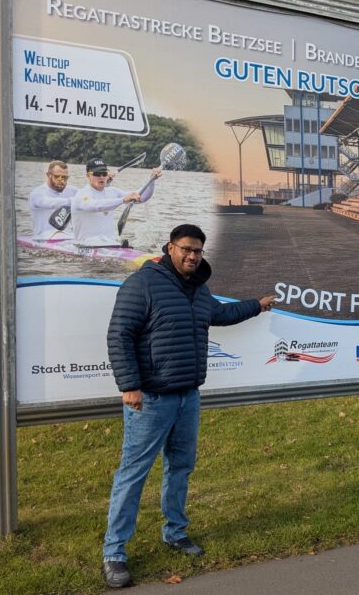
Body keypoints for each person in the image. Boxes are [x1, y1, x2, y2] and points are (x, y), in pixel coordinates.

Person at [102, 224, 275, 588]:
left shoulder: (199, 290)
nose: (192, 256)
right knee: (133, 473)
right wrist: (129, 385)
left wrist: (256, 306)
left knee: (180, 467)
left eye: (197, 251)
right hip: (150, 399)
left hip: (187, 397)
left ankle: (175, 531)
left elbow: (220, 315)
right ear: (170, 248)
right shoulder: (143, 284)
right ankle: (115, 553)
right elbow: (120, 333)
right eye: (186, 249)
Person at [71, 156, 160, 246]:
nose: (101, 177)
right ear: (88, 176)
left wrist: (152, 180)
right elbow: (94, 206)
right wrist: (123, 200)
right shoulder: (81, 194)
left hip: (110, 244)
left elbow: (142, 196)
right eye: (97, 174)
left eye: (104, 174)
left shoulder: (113, 192)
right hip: (84, 246)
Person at [28, 160, 77, 239]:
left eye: (65, 177)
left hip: (69, 236)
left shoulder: (73, 191)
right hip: (44, 237)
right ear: (48, 175)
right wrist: (73, 201)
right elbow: (49, 203)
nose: (62, 180)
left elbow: (87, 197)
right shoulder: (37, 193)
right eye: (57, 176)